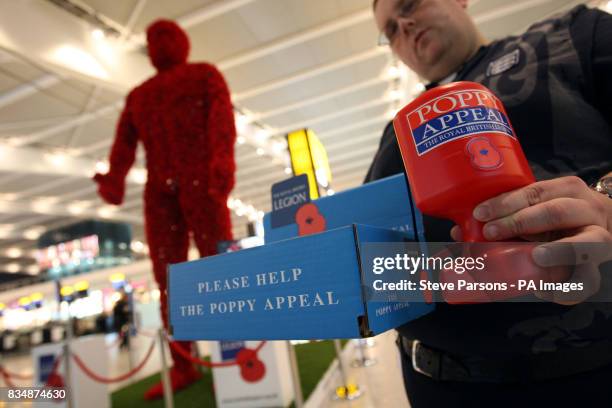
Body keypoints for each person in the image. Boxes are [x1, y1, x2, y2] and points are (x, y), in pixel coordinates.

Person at [368, 0, 612, 406]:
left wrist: (606, 200)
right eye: (390, 30)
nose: (404, 26)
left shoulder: (571, 35)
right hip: (434, 385)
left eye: (409, 4)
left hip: (588, 376)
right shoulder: (393, 132)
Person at [94, 20, 236, 399]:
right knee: (167, 279)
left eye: (167, 36)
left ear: (184, 42)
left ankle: (236, 349)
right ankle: (184, 364)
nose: (160, 44)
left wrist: (222, 164)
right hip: (160, 192)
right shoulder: (139, 96)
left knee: (222, 263)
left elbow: (223, 122)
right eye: (154, 39)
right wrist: (114, 178)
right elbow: (123, 143)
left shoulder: (204, 75)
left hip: (202, 181)